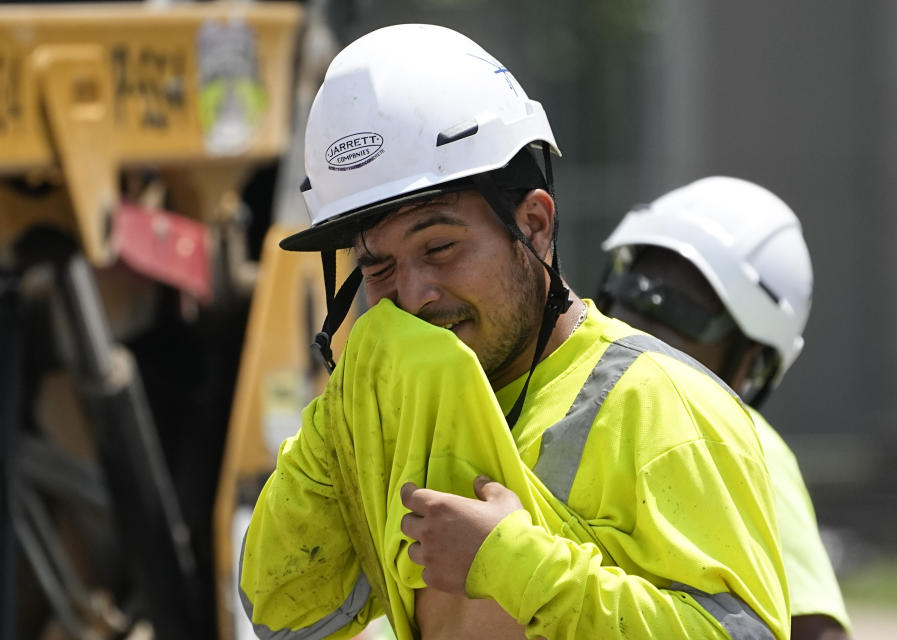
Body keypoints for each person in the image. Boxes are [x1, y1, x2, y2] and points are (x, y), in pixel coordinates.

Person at [239, 25, 789, 640]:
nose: (414, 295)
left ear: (533, 225)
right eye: (378, 267)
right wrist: (339, 415)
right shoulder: (406, 409)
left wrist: (513, 565)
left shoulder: (666, 408)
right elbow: (287, 612)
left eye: (440, 247)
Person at [597, 176, 852, 640]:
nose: (637, 333)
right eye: (633, 298)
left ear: (748, 360)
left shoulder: (747, 450)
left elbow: (814, 631)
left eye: (679, 316)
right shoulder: (575, 409)